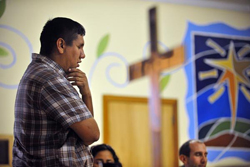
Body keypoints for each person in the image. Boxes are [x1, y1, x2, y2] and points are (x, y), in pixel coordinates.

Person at [13, 17, 100, 167]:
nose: (83, 54)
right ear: (61, 45)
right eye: (79, 47)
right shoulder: (50, 78)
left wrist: (86, 92)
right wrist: (86, 95)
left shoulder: (37, 71)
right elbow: (91, 135)